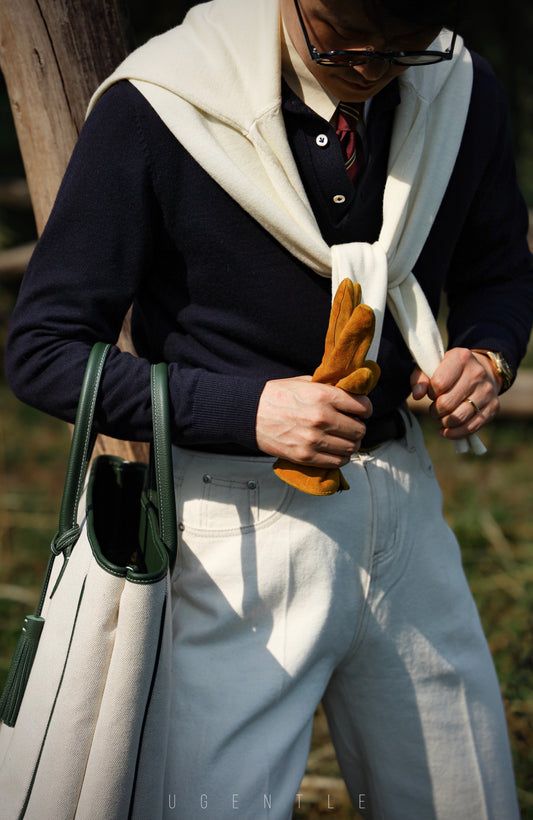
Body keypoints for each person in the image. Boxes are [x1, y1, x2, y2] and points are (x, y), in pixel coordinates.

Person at [5, 0, 533, 817]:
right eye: (345, 42)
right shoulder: (161, 102)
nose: (375, 70)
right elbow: (40, 351)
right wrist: (246, 409)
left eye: (405, 46)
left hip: (405, 509)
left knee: (470, 799)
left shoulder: (460, 84)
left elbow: (498, 266)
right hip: (232, 528)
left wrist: (488, 354)